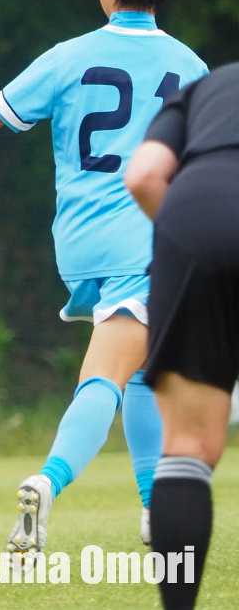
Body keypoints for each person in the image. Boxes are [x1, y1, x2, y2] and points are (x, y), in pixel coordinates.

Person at [0, 0, 207, 558]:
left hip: (83, 245)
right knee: (109, 376)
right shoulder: (192, 67)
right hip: (149, 243)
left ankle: (152, 513)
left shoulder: (70, 56)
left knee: (141, 373)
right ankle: (47, 481)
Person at [125, 62, 239, 610]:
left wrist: (191, 244)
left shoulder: (206, 86)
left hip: (193, 213)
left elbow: (144, 176)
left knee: (188, 449)